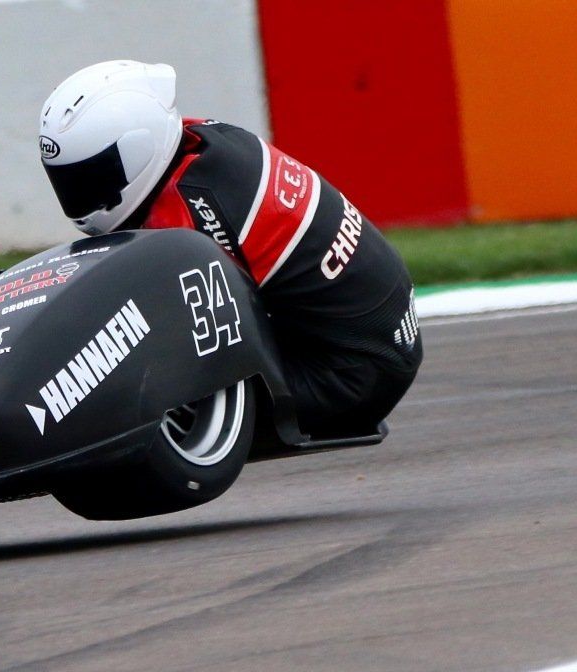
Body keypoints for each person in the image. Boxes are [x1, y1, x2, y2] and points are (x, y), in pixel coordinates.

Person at [37, 60, 422, 438]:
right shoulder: (202, 137)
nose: (80, 194)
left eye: (90, 178)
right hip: (367, 334)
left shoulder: (191, 215)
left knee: (125, 404)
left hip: (349, 374)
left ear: (140, 148)